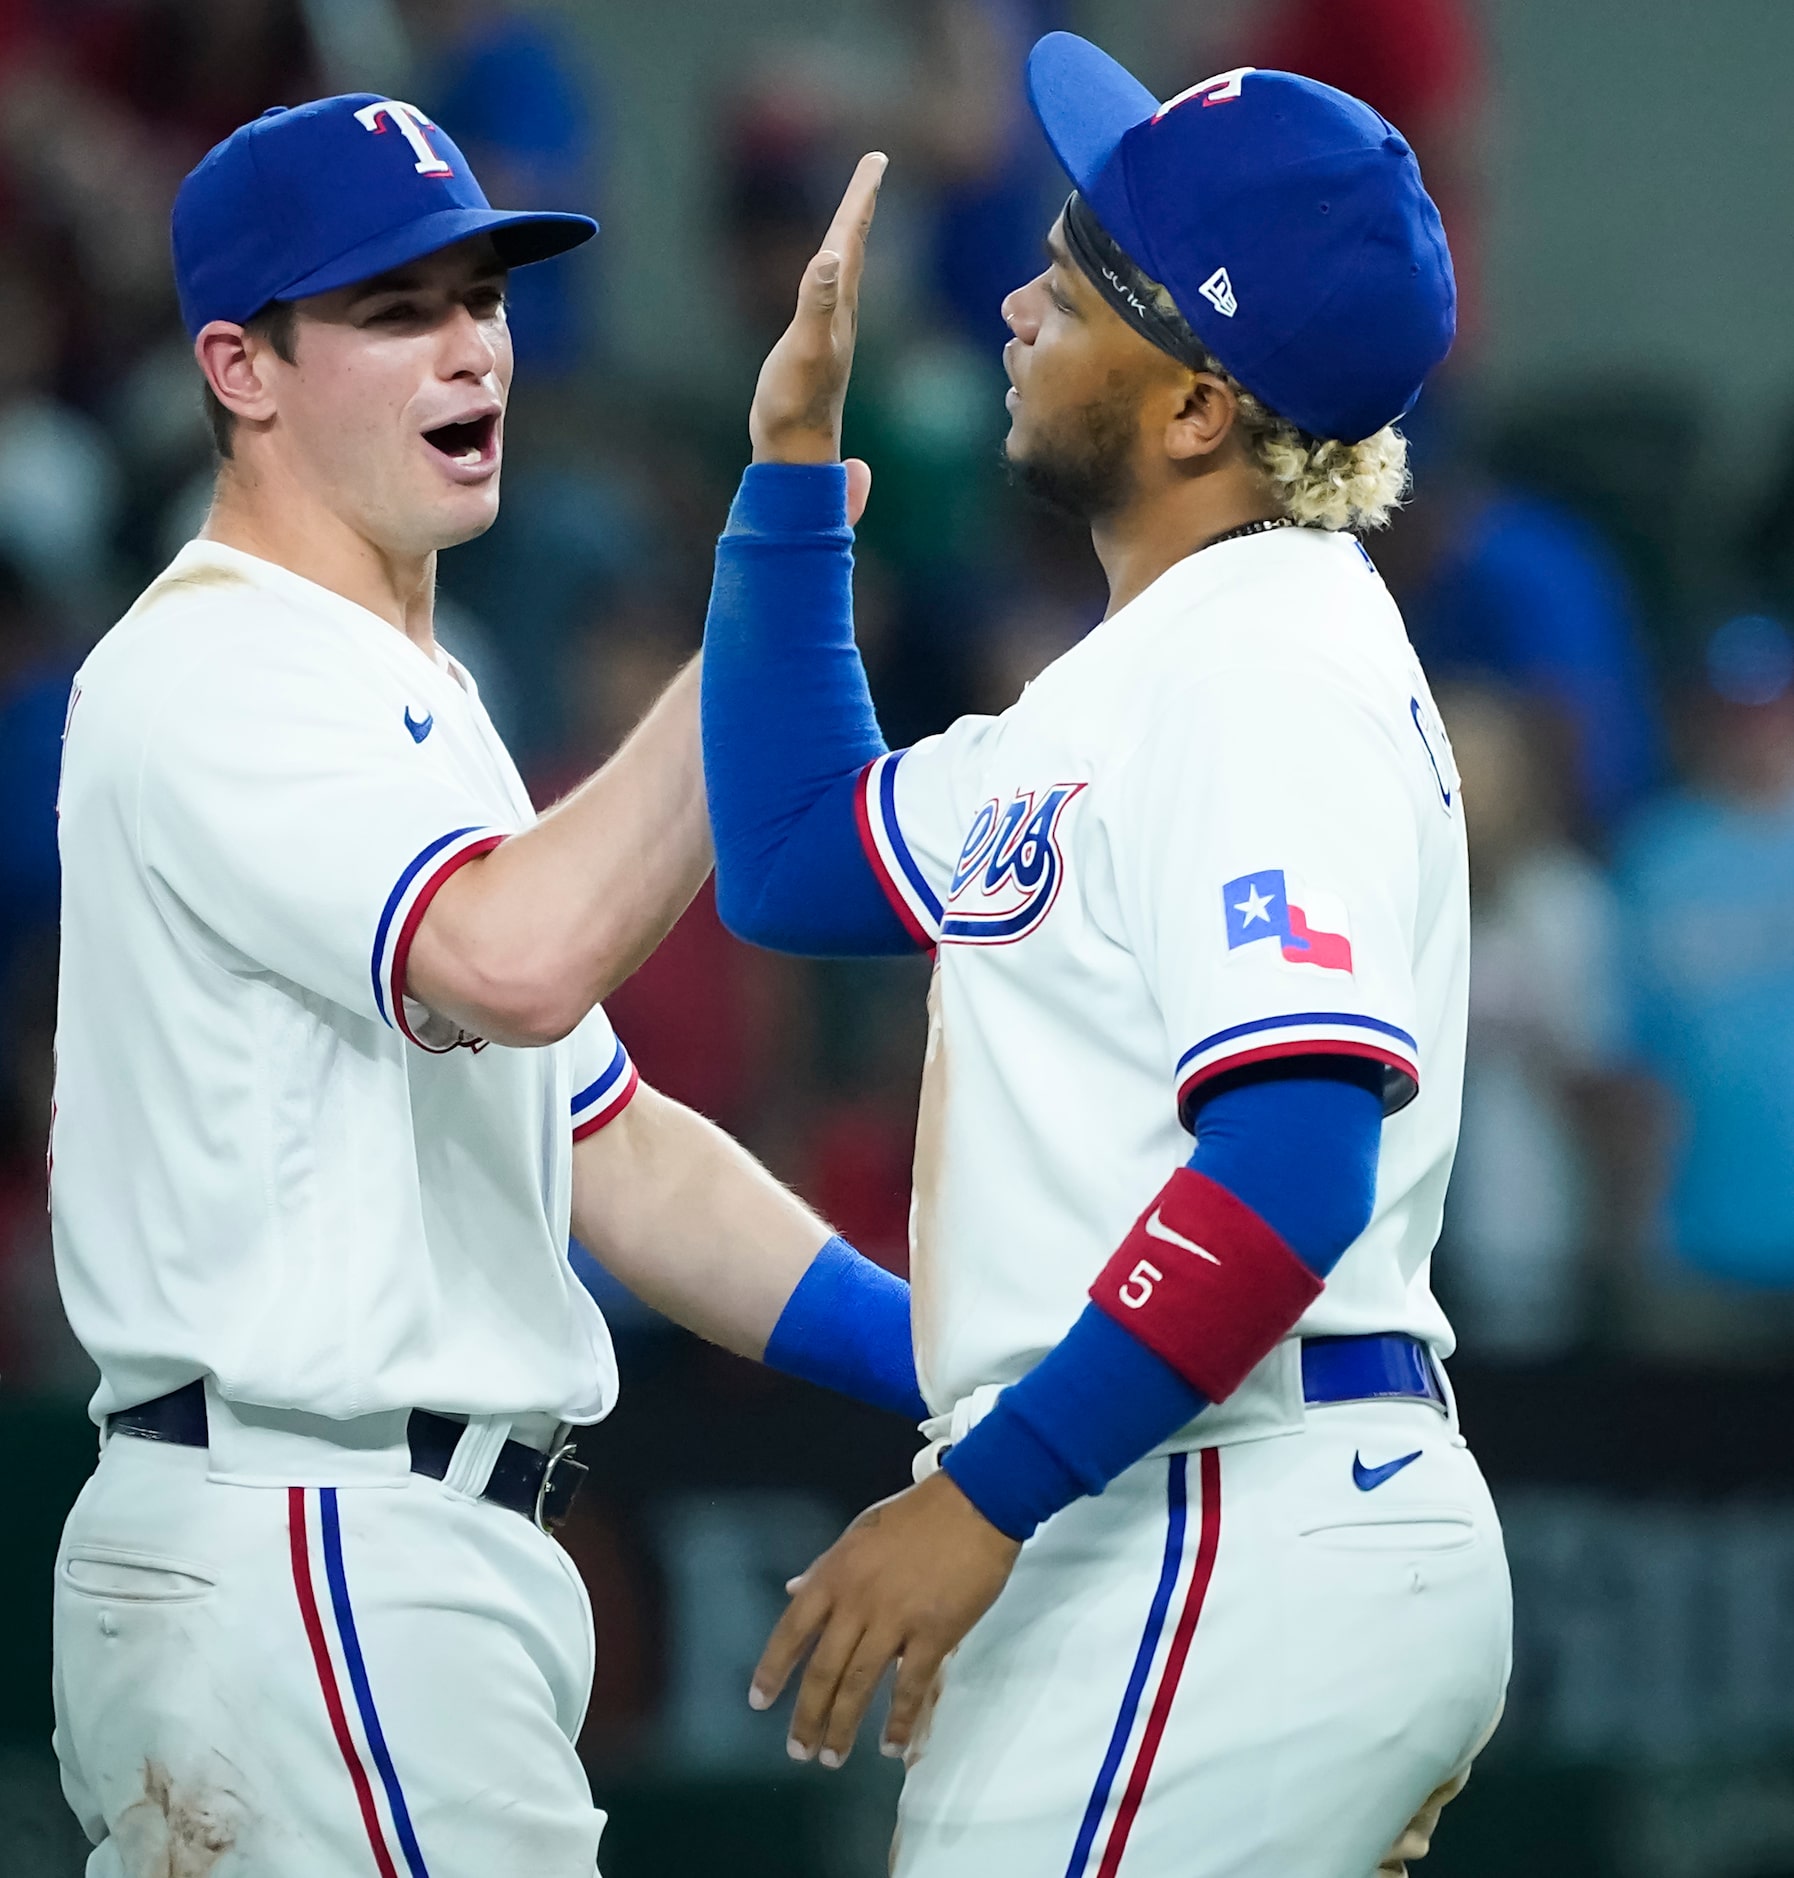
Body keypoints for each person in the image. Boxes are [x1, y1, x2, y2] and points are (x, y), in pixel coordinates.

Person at [49, 96, 927, 1877]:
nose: (468, 348)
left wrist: (945, 1359)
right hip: (315, 1533)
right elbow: (520, 964)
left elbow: (613, 1147)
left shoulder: (406, 691)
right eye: (394, 310)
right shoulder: (223, 665)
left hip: (357, 1549)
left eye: (484, 299)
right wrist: (762, 588)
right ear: (242, 367)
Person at [701, 35, 1509, 1876]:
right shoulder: (1155, 666)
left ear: (1195, 410)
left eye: (1069, 290)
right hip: (1193, 1496)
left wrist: (984, 1497)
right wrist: (790, 462)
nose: (1014, 302)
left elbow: (1293, 1163)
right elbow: (789, 855)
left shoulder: (1268, 670)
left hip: (1220, 1503)